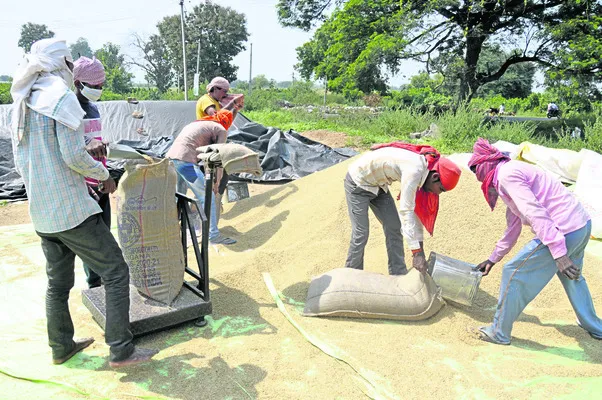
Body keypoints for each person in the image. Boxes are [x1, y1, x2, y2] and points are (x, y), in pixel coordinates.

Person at [10, 38, 157, 367]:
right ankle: (122, 350)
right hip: (71, 209)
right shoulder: (60, 98)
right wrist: (103, 176)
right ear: (63, 64)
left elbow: (26, 160)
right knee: (116, 271)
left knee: (57, 283)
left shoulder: (23, 101)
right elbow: (73, 155)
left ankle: (60, 347)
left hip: (42, 212)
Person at [468, 138, 602, 345]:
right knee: (572, 277)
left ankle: (498, 332)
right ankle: (595, 326)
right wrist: (493, 259)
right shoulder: (508, 174)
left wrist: (559, 254)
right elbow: (513, 226)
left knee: (513, 272)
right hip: (580, 225)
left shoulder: (507, 176)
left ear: (487, 164)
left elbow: (535, 212)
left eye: (475, 169)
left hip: (563, 230)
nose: (476, 176)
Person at [344, 143, 462, 275]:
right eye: (441, 190)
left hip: (379, 185)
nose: (437, 194)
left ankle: (398, 274)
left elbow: (415, 214)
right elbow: (406, 212)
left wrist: (419, 249)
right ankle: (351, 275)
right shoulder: (415, 172)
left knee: (394, 226)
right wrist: (416, 254)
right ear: (435, 177)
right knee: (361, 232)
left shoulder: (424, 172)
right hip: (358, 183)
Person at [168, 98, 244, 245]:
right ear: (225, 124)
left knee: (179, 196)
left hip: (171, 159)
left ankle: (172, 229)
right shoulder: (220, 129)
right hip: (185, 162)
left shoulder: (199, 124)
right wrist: (216, 183)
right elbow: (216, 159)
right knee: (207, 196)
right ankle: (213, 235)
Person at [73, 56, 109, 289]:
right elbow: (72, 147)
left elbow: (93, 140)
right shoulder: (70, 110)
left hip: (101, 177)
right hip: (83, 182)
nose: (99, 90)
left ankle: (105, 277)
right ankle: (94, 282)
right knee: (90, 237)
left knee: (104, 231)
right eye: (94, 87)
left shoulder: (92, 107)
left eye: (100, 86)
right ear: (77, 83)